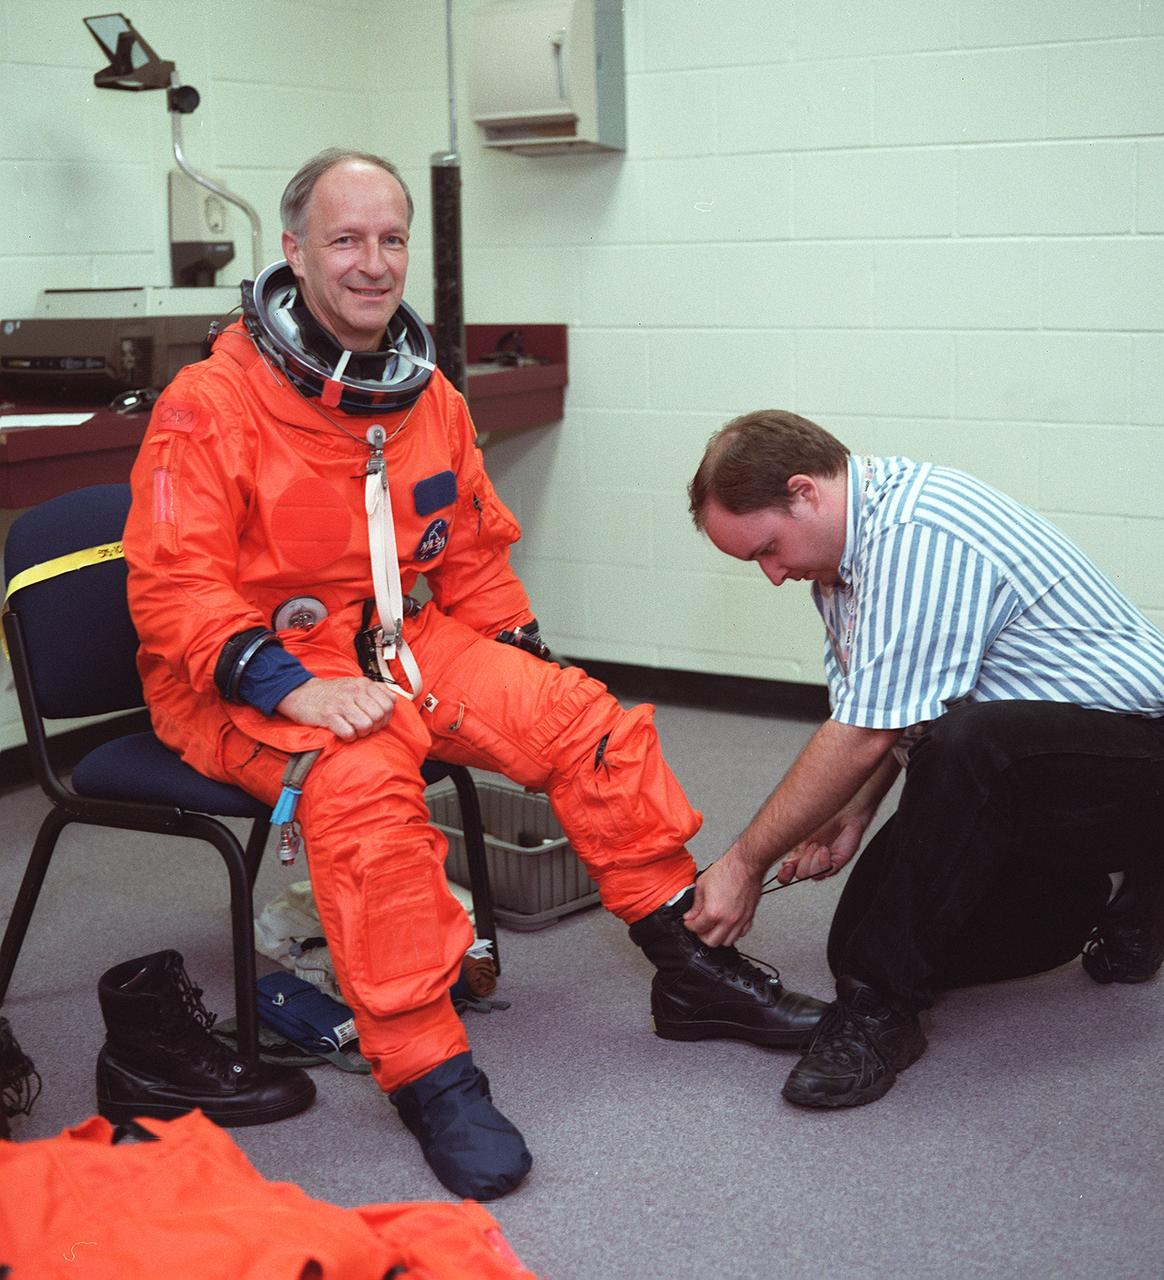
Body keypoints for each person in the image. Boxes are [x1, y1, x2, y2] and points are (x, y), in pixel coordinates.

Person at [122, 152, 826, 1200]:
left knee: (584, 719)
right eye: (346, 239)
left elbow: (472, 554)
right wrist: (289, 687)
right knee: (363, 785)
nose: (372, 264)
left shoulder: (426, 396)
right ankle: (429, 1071)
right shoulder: (209, 403)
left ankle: (689, 967)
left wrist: (523, 666)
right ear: (293, 251)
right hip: (243, 677)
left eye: (391, 239)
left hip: (404, 641)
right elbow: (173, 589)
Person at [684, 409, 1164, 1111]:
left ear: (805, 492)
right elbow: (891, 706)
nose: (772, 575)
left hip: (1154, 761)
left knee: (969, 746)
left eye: (767, 549)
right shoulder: (841, 563)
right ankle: (1107, 885)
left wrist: (741, 865)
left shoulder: (918, 535)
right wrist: (852, 812)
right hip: (1039, 775)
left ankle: (883, 1016)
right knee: (857, 943)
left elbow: (865, 734)